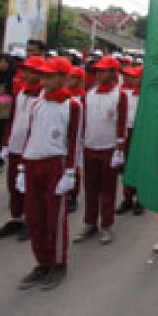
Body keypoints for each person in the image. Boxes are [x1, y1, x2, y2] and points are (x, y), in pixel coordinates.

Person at [15, 56, 81, 290]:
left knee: (54, 217)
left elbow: (74, 139)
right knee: (35, 217)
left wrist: (70, 172)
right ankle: (42, 261)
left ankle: (58, 263)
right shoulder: (38, 104)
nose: (44, 80)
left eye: (50, 76)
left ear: (63, 78)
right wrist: (22, 167)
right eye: (43, 75)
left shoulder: (72, 105)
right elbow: (30, 135)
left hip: (55, 164)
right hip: (33, 163)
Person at [0, 56, 47, 241]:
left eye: (31, 71)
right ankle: (16, 218)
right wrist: (6, 142)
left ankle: (33, 221)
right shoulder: (21, 92)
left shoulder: (43, 95)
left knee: (31, 188)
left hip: (32, 149)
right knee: (13, 184)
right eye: (25, 70)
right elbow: (12, 118)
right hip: (15, 145)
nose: (26, 74)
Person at [75, 56, 128, 245]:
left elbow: (121, 122)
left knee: (107, 189)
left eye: (103, 70)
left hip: (108, 148)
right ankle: (90, 222)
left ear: (114, 73)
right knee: (90, 188)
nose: (98, 74)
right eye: (97, 70)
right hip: (90, 147)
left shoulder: (119, 95)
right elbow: (83, 121)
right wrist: (80, 145)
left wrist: (119, 149)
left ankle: (106, 225)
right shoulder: (89, 93)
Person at [116, 65, 144, 216]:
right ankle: (127, 197)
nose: (130, 79)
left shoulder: (146, 96)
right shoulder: (124, 93)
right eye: (127, 75)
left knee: (139, 165)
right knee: (126, 167)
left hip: (139, 133)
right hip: (126, 132)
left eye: (134, 76)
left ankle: (141, 199)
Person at [65, 66, 86, 213]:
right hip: (63, 136)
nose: (68, 80)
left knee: (75, 165)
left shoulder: (82, 96)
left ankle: (73, 195)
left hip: (77, 136)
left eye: (71, 77)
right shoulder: (64, 95)